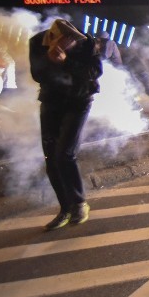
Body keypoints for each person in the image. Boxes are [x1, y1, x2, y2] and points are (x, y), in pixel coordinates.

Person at [29, 19, 102, 231]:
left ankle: (79, 203)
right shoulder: (37, 42)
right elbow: (37, 74)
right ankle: (65, 209)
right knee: (51, 157)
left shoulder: (86, 42)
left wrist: (65, 62)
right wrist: (50, 58)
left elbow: (94, 72)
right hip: (51, 102)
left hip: (79, 101)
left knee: (65, 153)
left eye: (72, 40)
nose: (70, 43)